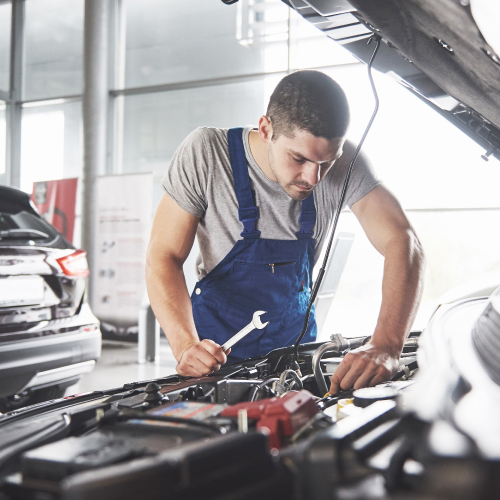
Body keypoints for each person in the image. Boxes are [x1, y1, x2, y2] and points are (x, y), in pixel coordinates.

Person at [145, 70, 425, 394]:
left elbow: (403, 240)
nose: (314, 178)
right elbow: (163, 256)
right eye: (299, 158)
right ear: (266, 129)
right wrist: (184, 346)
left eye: (327, 162)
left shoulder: (345, 164)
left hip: (296, 360)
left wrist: (387, 345)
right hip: (213, 362)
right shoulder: (207, 154)